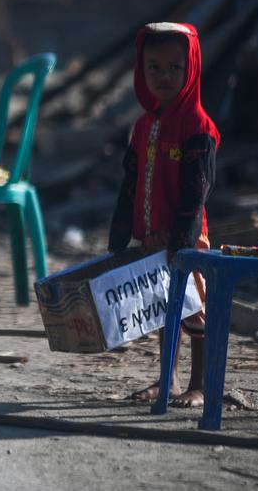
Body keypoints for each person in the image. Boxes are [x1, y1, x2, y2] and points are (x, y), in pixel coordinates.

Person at [108, 21, 220, 407]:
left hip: (187, 240)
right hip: (152, 239)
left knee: (195, 313)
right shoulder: (143, 126)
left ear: (191, 68)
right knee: (163, 310)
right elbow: (129, 182)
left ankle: (202, 384)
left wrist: (182, 242)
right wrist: (120, 237)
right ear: (141, 70)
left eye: (175, 67)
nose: (164, 76)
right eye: (153, 67)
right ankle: (167, 380)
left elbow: (198, 189)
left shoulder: (197, 126)